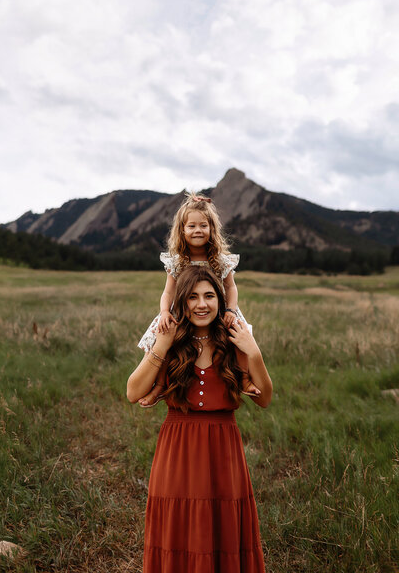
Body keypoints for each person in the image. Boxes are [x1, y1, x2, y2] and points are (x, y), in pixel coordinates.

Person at [127, 266, 272, 572]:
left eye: (209, 296)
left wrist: (253, 351)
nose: (201, 304)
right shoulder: (169, 336)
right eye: (192, 297)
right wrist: (162, 346)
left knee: (222, 528)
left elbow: (264, 399)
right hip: (177, 447)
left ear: (221, 300)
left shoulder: (235, 338)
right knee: (179, 526)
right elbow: (132, 391)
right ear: (182, 301)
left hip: (224, 447)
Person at [137, 192, 258, 406]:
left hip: (217, 310)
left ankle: (245, 379)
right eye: (191, 226)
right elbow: (168, 292)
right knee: (161, 338)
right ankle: (158, 386)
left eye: (203, 225)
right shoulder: (178, 261)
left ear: (212, 229)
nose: (197, 230)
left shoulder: (219, 260)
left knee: (241, 335)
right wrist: (165, 312)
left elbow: (230, 287)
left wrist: (230, 311)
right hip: (182, 310)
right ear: (182, 230)